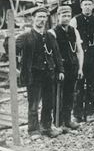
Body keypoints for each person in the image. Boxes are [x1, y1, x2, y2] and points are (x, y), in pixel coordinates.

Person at [15, 7, 64, 137]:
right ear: (33, 18)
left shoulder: (50, 36)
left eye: (44, 17)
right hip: (33, 76)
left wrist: (60, 70)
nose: (42, 20)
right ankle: (33, 130)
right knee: (34, 104)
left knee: (48, 103)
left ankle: (46, 127)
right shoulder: (25, 37)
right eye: (39, 17)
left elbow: (57, 55)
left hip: (49, 74)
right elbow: (11, 50)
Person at [49, 5, 84, 131]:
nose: (66, 18)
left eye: (68, 16)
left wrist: (80, 68)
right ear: (58, 17)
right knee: (58, 96)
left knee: (70, 94)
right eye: (63, 16)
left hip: (72, 67)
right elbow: (51, 54)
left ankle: (68, 120)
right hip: (60, 70)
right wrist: (58, 70)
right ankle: (58, 123)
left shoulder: (74, 31)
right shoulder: (52, 32)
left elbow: (79, 51)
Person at [70, 0, 94, 121]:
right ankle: (77, 114)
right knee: (78, 86)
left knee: (91, 86)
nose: (87, 6)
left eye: (89, 4)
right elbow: (70, 36)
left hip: (93, 57)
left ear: (93, 6)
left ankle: (89, 112)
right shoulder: (75, 20)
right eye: (85, 4)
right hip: (80, 57)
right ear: (81, 6)